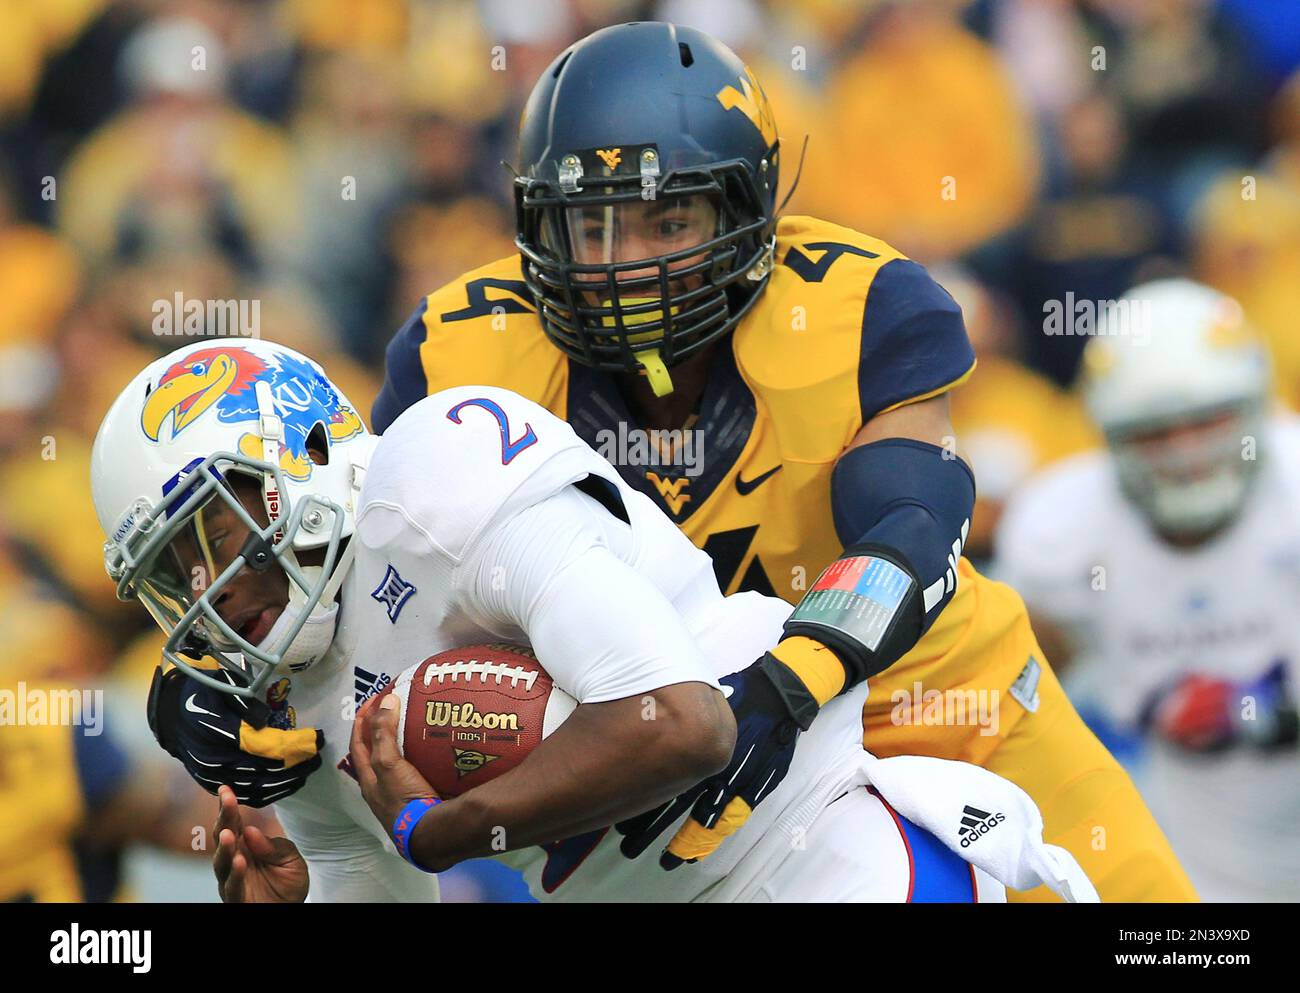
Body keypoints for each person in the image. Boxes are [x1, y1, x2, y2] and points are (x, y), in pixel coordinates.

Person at [367, 22, 1191, 899]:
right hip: (686, 777)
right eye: (593, 224)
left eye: (669, 218)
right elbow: (375, 598)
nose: (629, 266)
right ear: (538, 223)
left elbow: (909, 530)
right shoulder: (456, 357)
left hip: (932, 705)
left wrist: (779, 687)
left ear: (747, 207)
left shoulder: (857, 307)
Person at [90, 338, 1094, 903]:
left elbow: (682, 721)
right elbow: (369, 883)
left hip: (808, 853)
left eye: (216, 527)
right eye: (175, 568)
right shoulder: (274, 696)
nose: (212, 581)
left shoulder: (430, 481)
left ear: (302, 452)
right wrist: (288, 903)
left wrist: (439, 828)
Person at [996, 279, 1300, 902]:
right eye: (1155, 433)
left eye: (1207, 421)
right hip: (1183, 855)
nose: (1186, 454)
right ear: (1108, 437)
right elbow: (1010, 699)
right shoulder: (1063, 530)